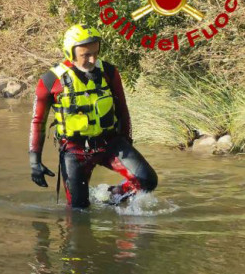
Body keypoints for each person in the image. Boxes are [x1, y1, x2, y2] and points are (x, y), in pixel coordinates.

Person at [29, 24, 158, 208]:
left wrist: (127, 141)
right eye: (85, 55)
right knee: (79, 211)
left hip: (110, 144)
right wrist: (35, 161)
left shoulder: (109, 72)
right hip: (74, 151)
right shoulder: (50, 81)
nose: (92, 59)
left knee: (147, 180)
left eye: (96, 53)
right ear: (70, 52)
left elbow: (122, 108)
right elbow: (38, 122)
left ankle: (113, 196)